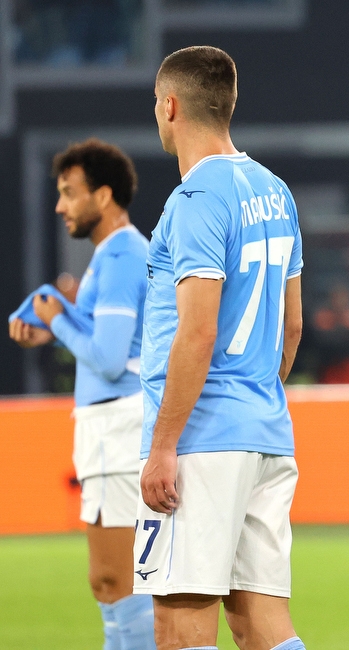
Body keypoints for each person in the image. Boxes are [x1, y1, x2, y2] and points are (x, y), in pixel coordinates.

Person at [134, 45, 305, 650]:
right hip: (264, 432)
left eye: (157, 104)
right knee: (260, 624)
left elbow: (198, 330)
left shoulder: (195, 201)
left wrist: (162, 444)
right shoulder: (275, 192)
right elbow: (291, 330)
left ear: (172, 105)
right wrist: (255, 397)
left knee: (179, 624)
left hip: (201, 438)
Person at [8, 138, 155, 649]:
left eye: (70, 193)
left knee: (122, 580)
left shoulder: (120, 255)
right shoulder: (113, 255)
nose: (60, 205)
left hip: (119, 427)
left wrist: (57, 320)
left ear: (104, 195)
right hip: (107, 431)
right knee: (110, 582)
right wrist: (62, 322)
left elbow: (111, 359)